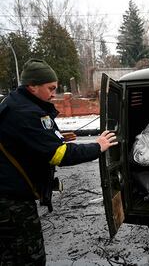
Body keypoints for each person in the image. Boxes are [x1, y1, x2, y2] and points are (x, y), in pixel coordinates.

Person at [0, 58, 118, 265]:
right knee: (28, 258)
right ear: (32, 86)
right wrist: (98, 146)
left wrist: (52, 137)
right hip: (11, 202)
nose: (54, 93)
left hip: (8, 195)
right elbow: (60, 155)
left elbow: (24, 141)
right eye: (50, 88)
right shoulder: (27, 113)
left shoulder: (16, 103)